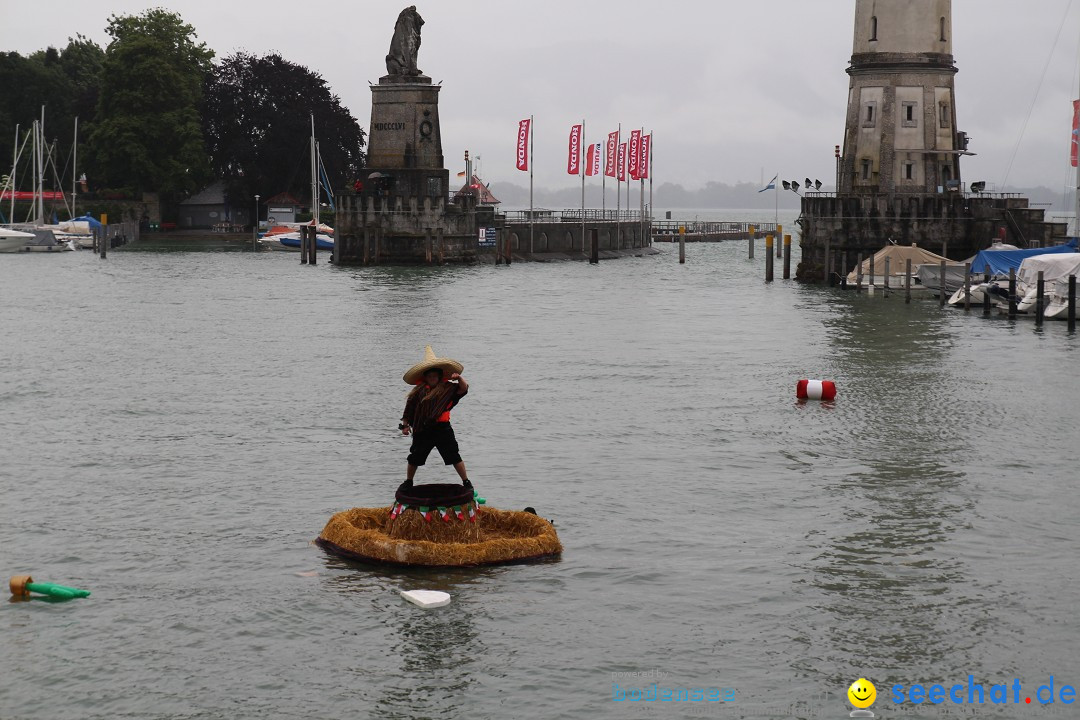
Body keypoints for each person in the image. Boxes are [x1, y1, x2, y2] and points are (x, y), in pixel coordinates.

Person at [399, 346, 470, 490]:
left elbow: (464, 388)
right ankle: (408, 482)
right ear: (425, 377)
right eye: (429, 376)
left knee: (454, 455)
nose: (432, 378)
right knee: (414, 457)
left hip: (442, 429)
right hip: (422, 428)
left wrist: (459, 378)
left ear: (439, 377)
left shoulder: (448, 389)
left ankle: (466, 482)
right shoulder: (417, 392)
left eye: (434, 376)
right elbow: (408, 411)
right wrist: (405, 426)